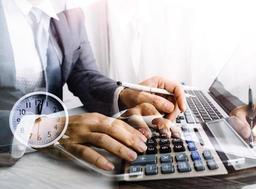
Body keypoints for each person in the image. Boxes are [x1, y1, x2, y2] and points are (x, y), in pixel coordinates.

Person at [0, 0, 186, 170]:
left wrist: (125, 95)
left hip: (57, 161)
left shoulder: (68, 10)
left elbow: (82, 74)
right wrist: (39, 129)